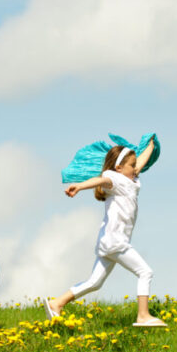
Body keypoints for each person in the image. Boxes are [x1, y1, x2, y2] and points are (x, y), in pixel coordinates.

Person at [45, 140, 166, 327]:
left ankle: (57, 303)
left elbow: (140, 162)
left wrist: (150, 144)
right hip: (116, 242)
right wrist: (79, 186)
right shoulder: (115, 179)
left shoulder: (128, 179)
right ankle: (143, 315)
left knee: (95, 282)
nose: (136, 169)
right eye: (131, 166)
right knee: (145, 272)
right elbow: (101, 180)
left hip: (109, 241)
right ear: (118, 167)